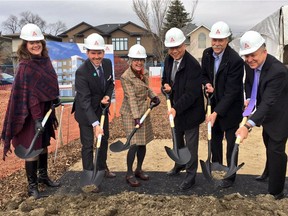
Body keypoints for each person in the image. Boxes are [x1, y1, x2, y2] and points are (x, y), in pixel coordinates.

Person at [1, 23, 61, 199]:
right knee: (32, 147)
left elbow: (50, 83)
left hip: (46, 110)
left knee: (42, 145)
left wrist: (53, 97)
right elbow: (30, 96)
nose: (36, 45)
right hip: (29, 114)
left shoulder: (45, 61)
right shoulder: (25, 66)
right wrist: (36, 120)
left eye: (38, 42)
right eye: (31, 42)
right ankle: (32, 186)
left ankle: (43, 177)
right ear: (25, 45)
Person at [236, 30, 288, 200]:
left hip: (282, 114)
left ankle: (276, 191)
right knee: (267, 142)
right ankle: (268, 171)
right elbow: (249, 82)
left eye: (253, 55)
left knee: (276, 150)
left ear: (264, 51)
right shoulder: (250, 64)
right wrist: (250, 98)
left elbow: (268, 103)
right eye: (246, 56)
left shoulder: (278, 71)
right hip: (267, 113)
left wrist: (247, 126)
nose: (249, 59)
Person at [201, 21, 244, 188]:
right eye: (214, 40)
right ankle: (217, 167)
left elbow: (232, 92)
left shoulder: (235, 60)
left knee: (232, 142)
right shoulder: (206, 54)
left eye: (221, 40)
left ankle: (230, 175)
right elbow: (203, 75)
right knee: (215, 139)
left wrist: (216, 113)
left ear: (227, 40)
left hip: (231, 108)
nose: (217, 44)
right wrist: (207, 84)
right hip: (214, 104)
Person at [162, 27, 205, 191]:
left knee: (191, 145)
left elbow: (191, 94)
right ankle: (179, 164)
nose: (174, 51)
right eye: (171, 48)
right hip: (176, 110)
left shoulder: (193, 66)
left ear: (184, 45)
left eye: (177, 47)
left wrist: (175, 109)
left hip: (191, 112)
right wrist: (165, 87)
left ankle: (191, 175)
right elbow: (166, 80)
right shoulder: (168, 60)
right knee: (177, 140)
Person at [72, 33, 115, 192]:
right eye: (93, 53)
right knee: (88, 144)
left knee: (103, 140)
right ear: (87, 52)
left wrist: (107, 96)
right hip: (86, 112)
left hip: (102, 109)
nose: (97, 56)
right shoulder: (82, 72)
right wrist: (95, 123)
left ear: (104, 52)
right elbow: (84, 100)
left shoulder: (108, 63)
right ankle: (89, 173)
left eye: (99, 53)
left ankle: (102, 169)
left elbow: (110, 84)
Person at [120, 44, 160, 187]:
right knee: (134, 143)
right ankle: (129, 173)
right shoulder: (126, 77)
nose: (138, 62)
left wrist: (154, 96)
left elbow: (147, 88)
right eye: (135, 59)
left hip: (144, 110)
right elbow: (131, 98)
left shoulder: (145, 73)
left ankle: (138, 169)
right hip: (131, 113)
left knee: (143, 142)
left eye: (141, 60)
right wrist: (137, 117)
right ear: (130, 60)